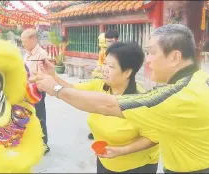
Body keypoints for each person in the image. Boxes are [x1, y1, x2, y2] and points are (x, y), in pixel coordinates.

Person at [34, 24, 209, 173]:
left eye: (152, 52)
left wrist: (56, 89)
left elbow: (107, 105)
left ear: (175, 57)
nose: (148, 60)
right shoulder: (203, 78)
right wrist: (56, 81)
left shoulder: (173, 96)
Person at [39, 42, 159, 173]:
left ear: (127, 72)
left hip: (137, 166)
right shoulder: (100, 85)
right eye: (105, 63)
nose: (104, 69)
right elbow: (73, 92)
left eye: (111, 66)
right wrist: (53, 75)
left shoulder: (141, 101)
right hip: (105, 160)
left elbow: (153, 137)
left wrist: (121, 151)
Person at [21, 28, 53, 155]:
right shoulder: (27, 53)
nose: (23, 44)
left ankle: (44, 143)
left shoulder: (42, 55)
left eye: (25, 42)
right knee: (28, 117)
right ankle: (33, 141)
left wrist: (30, 79)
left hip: (37, 90)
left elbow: (45, 75)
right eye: (22, 42)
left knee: (40, 117)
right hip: (27, 90)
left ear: (34, 39)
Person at [89, 29, 120, 140]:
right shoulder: (103, 52)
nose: (109, 44)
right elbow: (100, 64)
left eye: (111, 41)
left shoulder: (122, 53)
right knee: (98, 104)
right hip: (103, 80)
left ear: (117, 40)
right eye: (107, 41)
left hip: (117, 84)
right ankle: (95, 129)